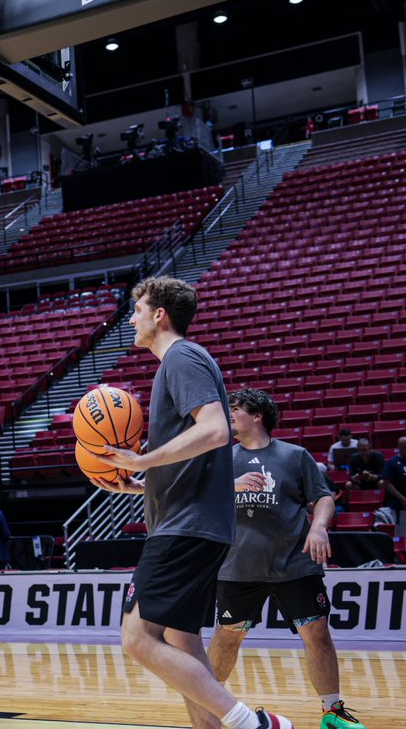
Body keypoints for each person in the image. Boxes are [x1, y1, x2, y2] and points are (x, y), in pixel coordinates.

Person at [86, 276, 290, 729]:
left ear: (159, 314)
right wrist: (139, 485)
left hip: (186, 528)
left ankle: (254, 724)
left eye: (137, 309)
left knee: (137, 639)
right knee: (184, 643)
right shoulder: (181, 362)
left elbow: (216, 431)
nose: (131, 319)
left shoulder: (181, 357)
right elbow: (198, 462)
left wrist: (143, 459)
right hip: (196, 523)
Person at [207, 389, 364, 729]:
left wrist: (318, 527)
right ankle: (207, 708)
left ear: (257, 415)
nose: (229, 413)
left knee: (317, 632)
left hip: (294, 562)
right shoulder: (222, 459)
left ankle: (333, 713)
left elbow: (323, 498)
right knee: (227, 636)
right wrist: (231, 486)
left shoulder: (295, 455)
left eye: (236, 408)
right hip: (238, 565)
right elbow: (198, 500)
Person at [380, 437, 406, 531]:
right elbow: (387, 483)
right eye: (404, 447)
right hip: (399, 505)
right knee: (402, 532)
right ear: (399, 448)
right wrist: (402, 498)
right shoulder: (392, 462)